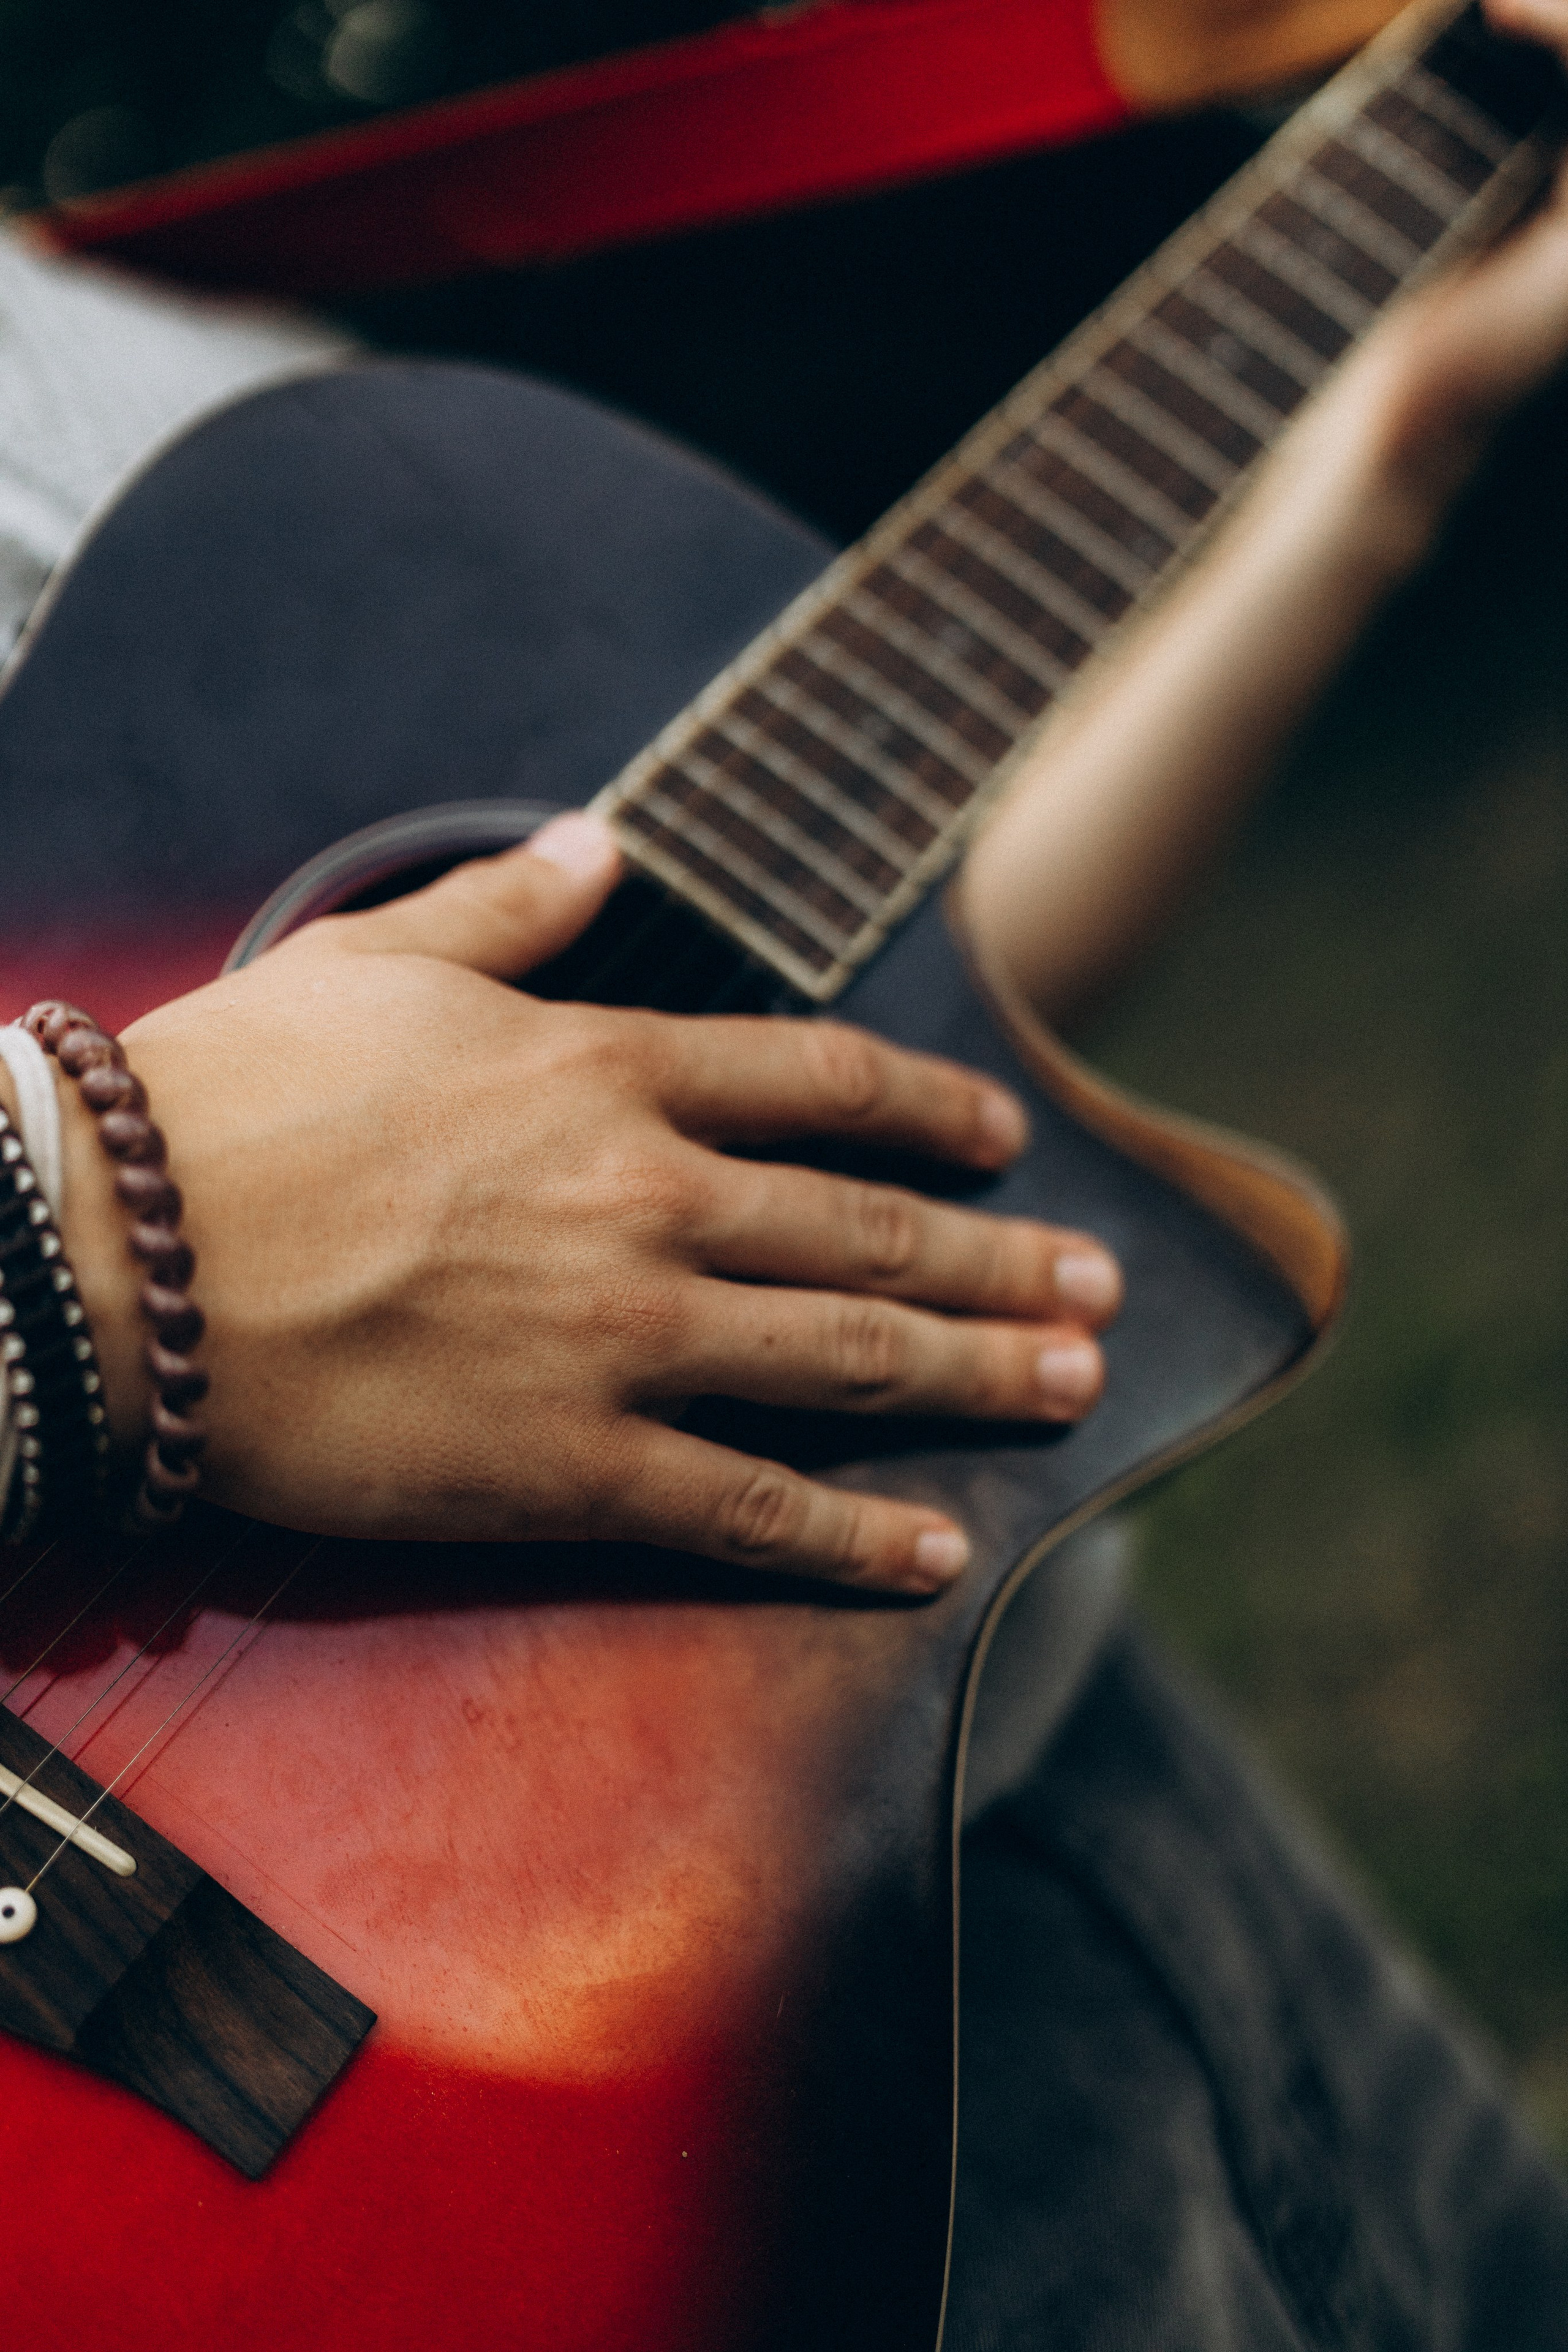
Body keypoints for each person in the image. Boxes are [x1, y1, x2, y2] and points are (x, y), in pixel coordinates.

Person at [1, 0, 1567, 2340]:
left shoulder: (111, 324)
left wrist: (1380, 450)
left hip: (1016, 1809)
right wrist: (102, 1243)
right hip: (442, 2142)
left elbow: (828, 1028)